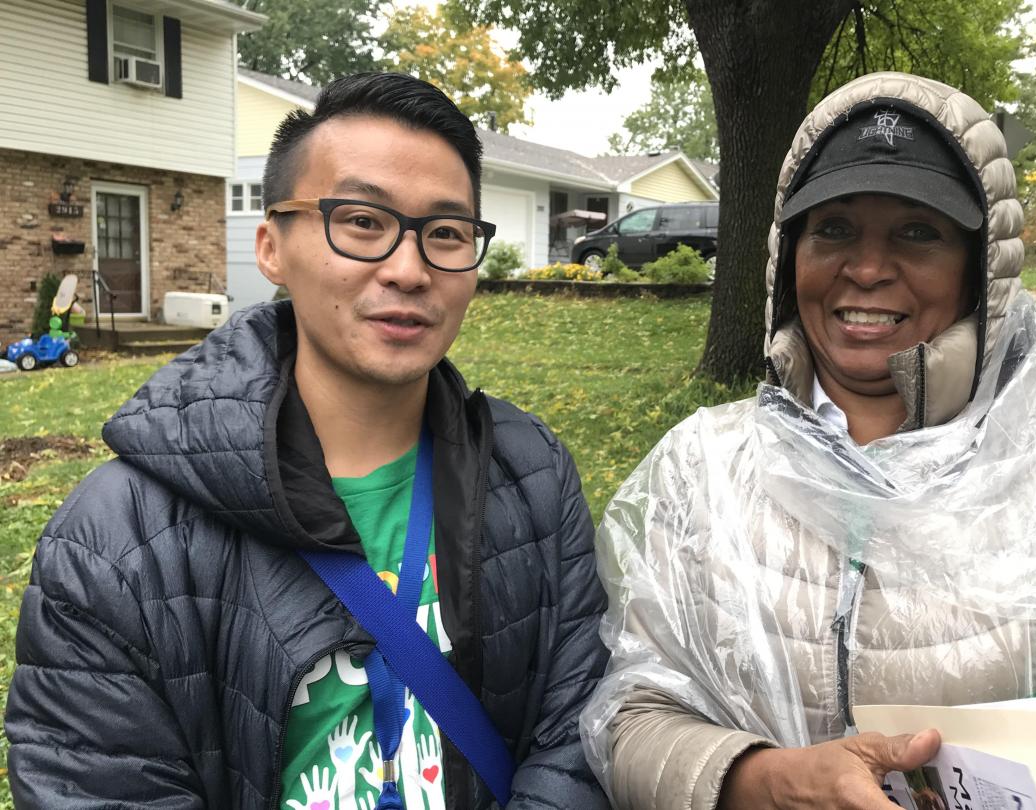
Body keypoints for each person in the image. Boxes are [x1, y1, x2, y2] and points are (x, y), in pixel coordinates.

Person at [580, 71, 1036, 809]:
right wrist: (765, 782)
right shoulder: (698, 474)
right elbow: (629, 714)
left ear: (982, 271)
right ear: (789, 258)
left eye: (918, 231)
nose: (868, 268)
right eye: (833, 228)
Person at [5, 72, 609, 810]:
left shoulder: (533, 475)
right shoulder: (116, 539)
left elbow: (577, 733)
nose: (409, 269)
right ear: (270, 247)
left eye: (446, 233)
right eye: (361, 220)